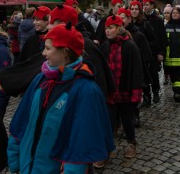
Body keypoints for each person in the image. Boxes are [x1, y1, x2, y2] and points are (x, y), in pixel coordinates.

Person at [7, 23, 114, 173]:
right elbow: (21, 121)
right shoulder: (40, 80)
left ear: (65, 52)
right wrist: (15, 159)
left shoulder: (86, 90)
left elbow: (81, 144)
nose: (43, 53)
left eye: (48, 48)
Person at [100, 15, 144, 161]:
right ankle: (105, 149)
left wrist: (136, 93)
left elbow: (137, 70)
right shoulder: (105, 46)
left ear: (118, 29)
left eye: (110, 28)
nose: (107, 31)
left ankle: (132, 143)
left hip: (126, 91)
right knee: (108, 121)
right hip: (110, 93)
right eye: (106, 28)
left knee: (127, 120)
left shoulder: (130, 46)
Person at [117, 7, 152, 128]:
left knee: (133, 96)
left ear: (128, 19)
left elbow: (146, 55)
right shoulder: (113, 36)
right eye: (119, 18)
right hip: (119, 71)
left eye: (123, 18)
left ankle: (135, 115)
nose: (121, 21)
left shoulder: (139, 35)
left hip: (134, 71)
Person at [142, 0, 168, 104]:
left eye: (147, 5)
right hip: (143, 51)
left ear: (152, 6)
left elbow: (162, 37)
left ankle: (155, 91)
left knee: (153, 73)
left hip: (154, 51)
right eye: (144, 5)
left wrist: (161, 52)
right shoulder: (141, 19)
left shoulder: (158, 20)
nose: (145, 7)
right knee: (143, 74)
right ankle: (146, 96)